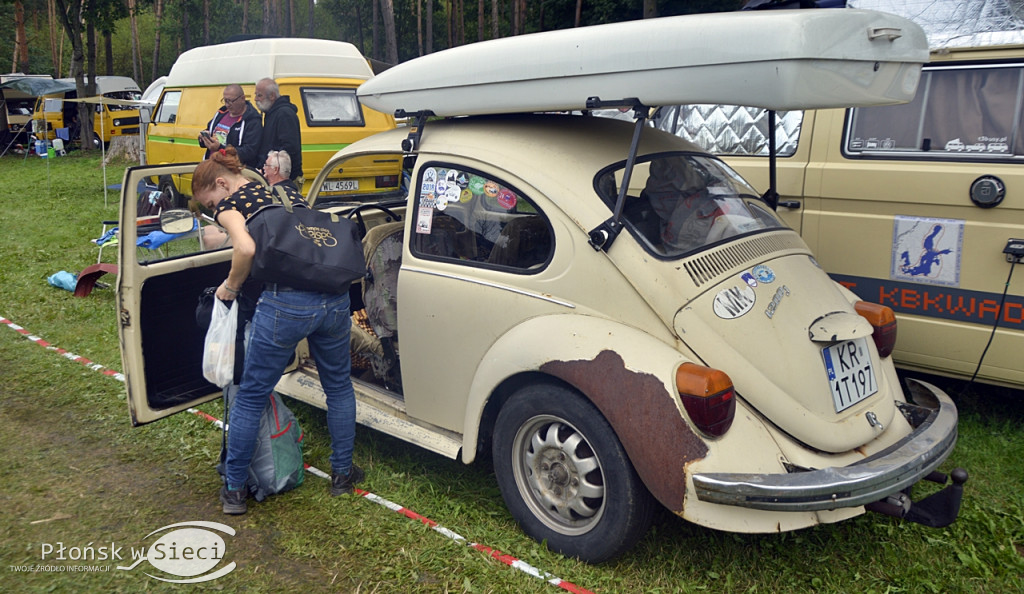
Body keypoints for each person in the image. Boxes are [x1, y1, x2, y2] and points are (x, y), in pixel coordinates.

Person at [192, 147, 363, 515]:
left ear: (221, 183)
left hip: (286, 305)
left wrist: (231, 287)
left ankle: (235, 489)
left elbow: (246, 247)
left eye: (210, 201)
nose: (213, 210)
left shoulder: (231, 204)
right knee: (338, 387)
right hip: (333, 300)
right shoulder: (280, 187)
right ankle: (343, 474)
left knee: (252, 395)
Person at [199, 84, 264, 170]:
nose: (227, 105)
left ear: (242, 98)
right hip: (212, 168)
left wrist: (220, 148)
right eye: (225, 100)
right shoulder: (221, 113)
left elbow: (249, 152)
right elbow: (209, 130)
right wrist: (204, 138)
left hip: (233, 172)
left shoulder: (252, 121)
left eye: (230, 101)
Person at [254, 78, 302, 182]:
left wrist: (271, 163)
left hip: (285, 179)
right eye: (255, 95)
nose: (255, 99)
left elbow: (289, 148)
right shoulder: (271, 113)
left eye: (259, 95)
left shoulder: (284, 114)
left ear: (272, 96)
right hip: (272, 176)